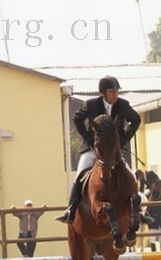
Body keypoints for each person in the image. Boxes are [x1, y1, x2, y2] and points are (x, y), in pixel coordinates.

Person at [56, 75, 143, 224]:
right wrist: (88, 139)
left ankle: (139, 212)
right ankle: (70, 209)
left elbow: (136, 120)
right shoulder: (91, 105)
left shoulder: (122, 105)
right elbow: (77, 119)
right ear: (103, 93)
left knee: (129, 175)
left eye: (117, 91)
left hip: (113, 151)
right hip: (93, 149)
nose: (116, 94)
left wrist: (123, 140)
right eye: (112, 91)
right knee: (79, 176)